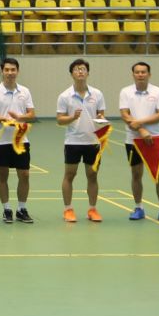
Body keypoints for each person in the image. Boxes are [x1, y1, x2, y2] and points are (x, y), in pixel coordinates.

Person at [119, 62, 159, 223]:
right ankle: (138, 207)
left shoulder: (158, 92)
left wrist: (139, 122)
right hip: (133, 140)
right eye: (137, 72)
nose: (140, 74)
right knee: (136, 174)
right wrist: (141, 130)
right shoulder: (125, 92)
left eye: (143, 72)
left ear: (149, 74)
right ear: (133, 74)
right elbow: (125, 114)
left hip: (155, 139)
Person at [56, 59, 107, 224]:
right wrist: (72, 117)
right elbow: (59, 120)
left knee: (92, 175)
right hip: (73, 141)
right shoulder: (65, 96)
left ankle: (92, 209)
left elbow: (101, 115)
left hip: (93, 141)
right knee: (70, 174)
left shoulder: (97, 94)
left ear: (88, 73)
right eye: (77, 69)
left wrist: (101, 118)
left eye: (83, 69)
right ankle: (68, 209)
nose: (80, 72)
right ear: (72, 73)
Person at [0, 57, 36, 224]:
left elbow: (31, 114)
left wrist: (19, 117)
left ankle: (22, 209)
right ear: (2, 71)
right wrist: (5, 119)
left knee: (25, 175)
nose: (10, 73)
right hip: (2, 142)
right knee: (3, 176)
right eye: (7, 70)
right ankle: (7, 209)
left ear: (17, 71)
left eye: (13, 70)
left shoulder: (25, 91)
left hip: (21, 140)